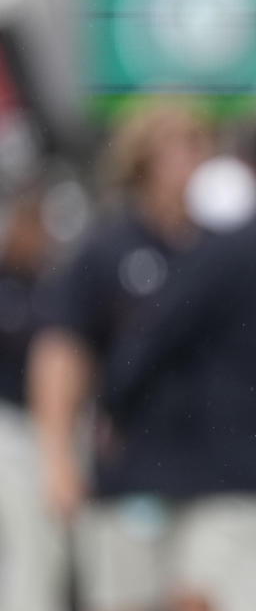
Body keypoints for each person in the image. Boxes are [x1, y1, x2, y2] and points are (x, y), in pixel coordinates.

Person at [103, 113, 256, 611]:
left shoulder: (224, 253)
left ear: (245, 167)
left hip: (231, 486)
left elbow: (149, 346)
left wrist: (116, 409)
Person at [28, 99, 211, 611]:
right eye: (181, 146)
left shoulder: (215, 249)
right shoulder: (105, 249)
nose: (195, 160)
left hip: (209, 471)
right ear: (144, 158)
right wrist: (59, 458)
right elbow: (62, 352)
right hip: (129, 469)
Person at [0, 184, 67, 611]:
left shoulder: (50, 286)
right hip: (8, 424)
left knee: (45, 542)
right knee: (27, 540)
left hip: (44, 425)